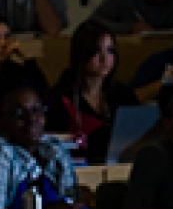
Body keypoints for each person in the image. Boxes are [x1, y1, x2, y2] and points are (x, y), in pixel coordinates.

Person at [46, 19, 138, 163]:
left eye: (110, 51)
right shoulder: (61, 98)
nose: (105, 59)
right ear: (82, 54)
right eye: (97, 51)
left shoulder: (123, 94)